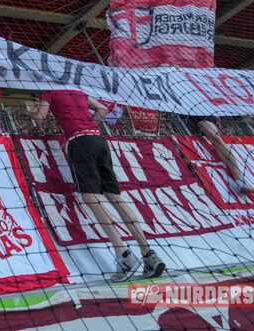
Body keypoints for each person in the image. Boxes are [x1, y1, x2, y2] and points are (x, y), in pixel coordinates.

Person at [31, 89, 166, 282]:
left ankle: (124, 255)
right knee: (115, 197)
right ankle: (148, 254)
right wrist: (88, 126)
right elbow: (102, 109)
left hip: (79, 142)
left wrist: (28, 114)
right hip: (99, 139)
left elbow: (40, 116)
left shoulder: (50, 91)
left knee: (90, 197)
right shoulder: (76, 92)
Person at [173, 112, 254, 196]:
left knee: (215, 137)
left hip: (202, 112)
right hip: (180, 113)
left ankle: (240, 179)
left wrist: (242, 111)